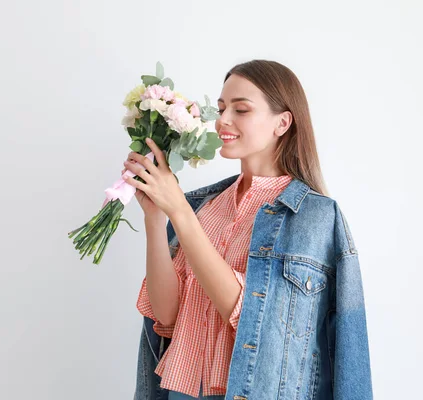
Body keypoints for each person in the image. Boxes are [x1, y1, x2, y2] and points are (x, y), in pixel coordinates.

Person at [122, 60, 373, 400]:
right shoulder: (201, 206)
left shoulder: (315, 217)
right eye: (222, 108)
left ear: (282, 123)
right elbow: (166, 314)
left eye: (241, 110)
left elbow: (253, 316)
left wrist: (178, 211)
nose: (222, 120)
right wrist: (156, 217)